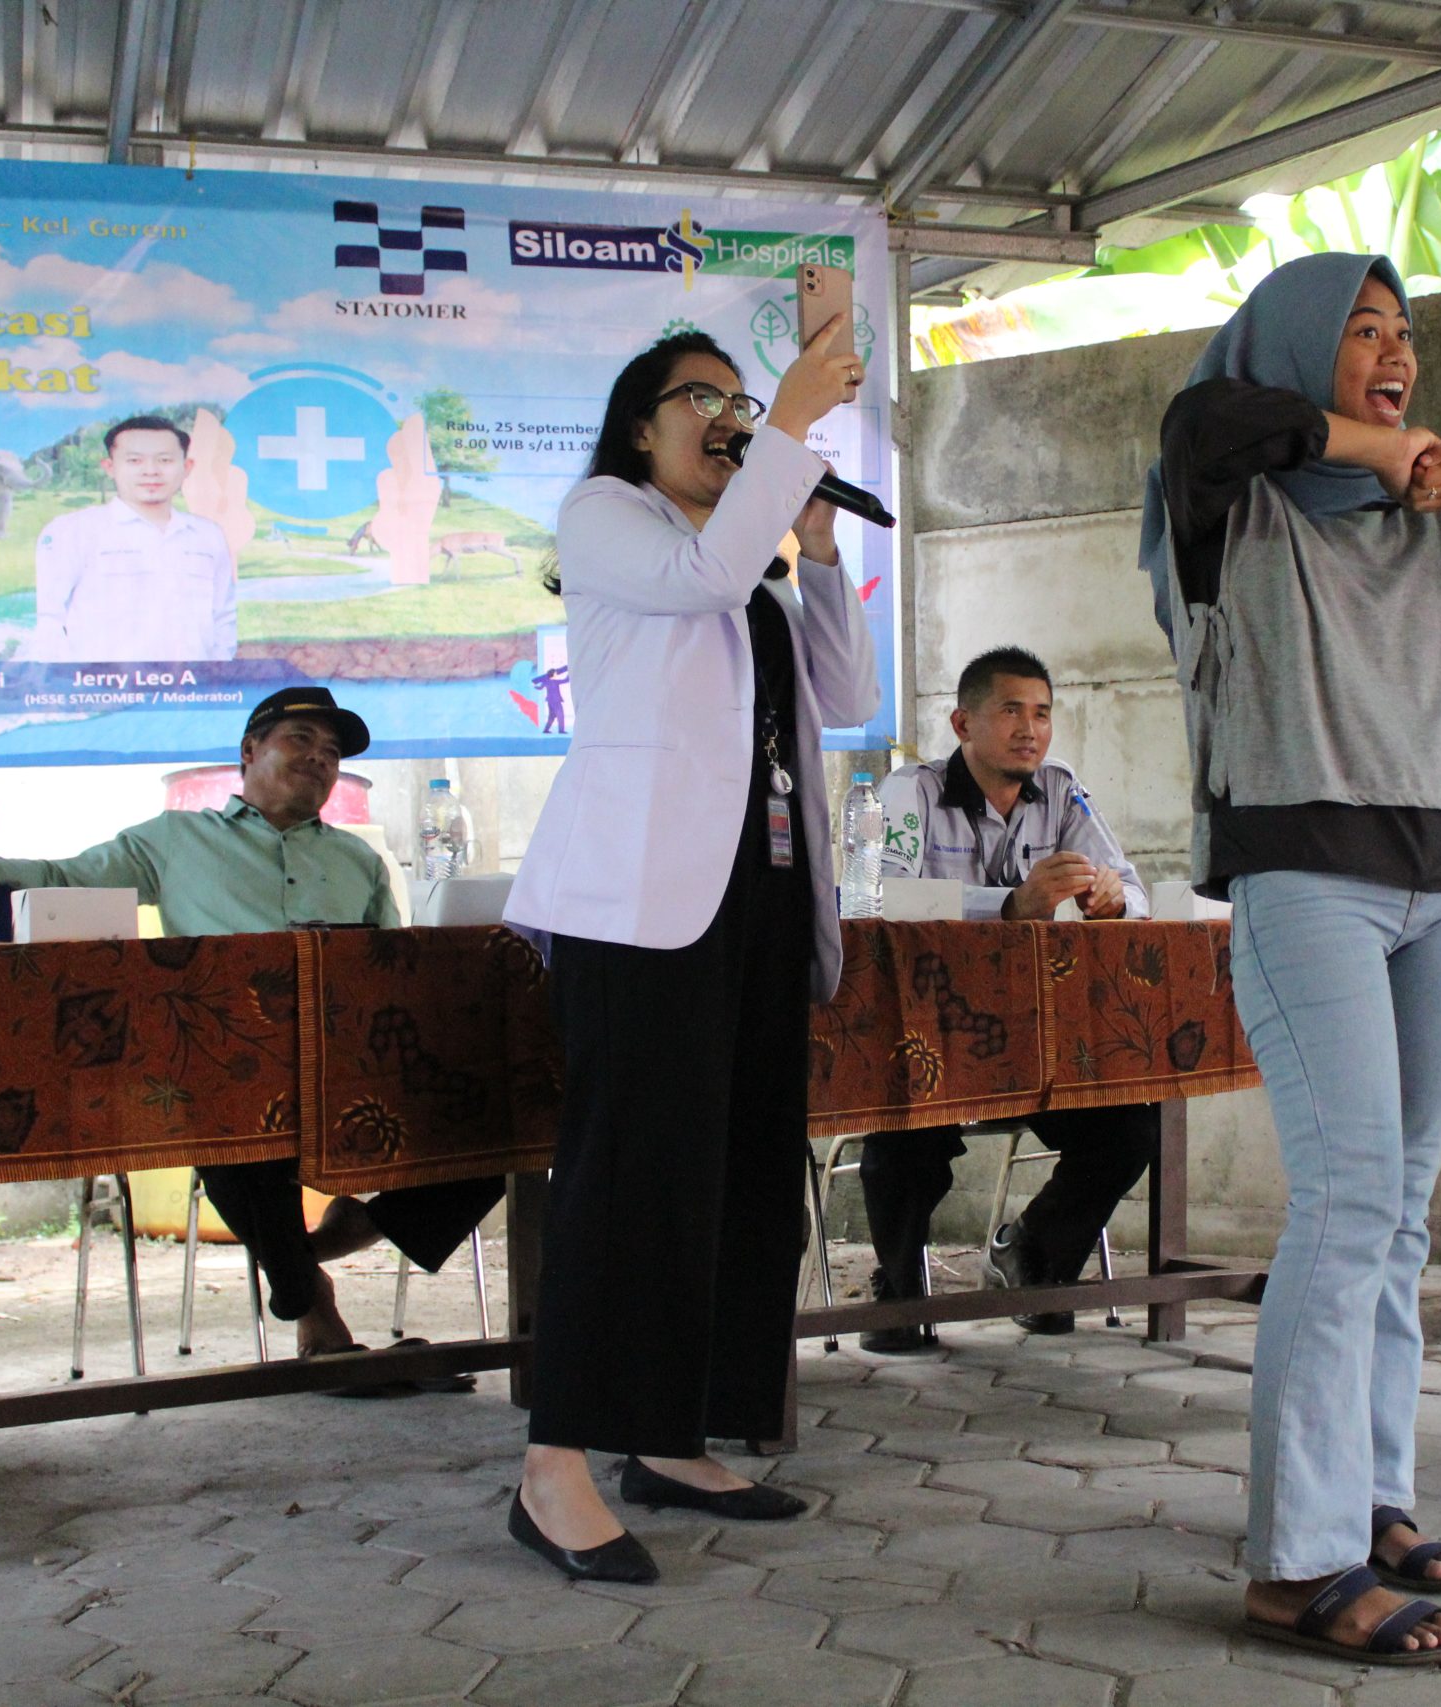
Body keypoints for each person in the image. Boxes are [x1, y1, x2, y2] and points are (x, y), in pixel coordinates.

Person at [1143, 252, 1441, 1663]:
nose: (1393, 350)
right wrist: (1378, 444)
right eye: (1359, 332)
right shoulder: (1232, 500)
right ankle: (1298, 1563)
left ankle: (1369, 1490)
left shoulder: (1437, 513)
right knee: (1349, 1200)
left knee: (1400, 1210)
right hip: (1310, 875)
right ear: (1300, 351)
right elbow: (1203, 423)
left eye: (1404, 332)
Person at [500, 318, 876, 1583]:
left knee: (742, 1170)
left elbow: (848, 687)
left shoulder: (749, 567)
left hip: (759, 898)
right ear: (639, 426)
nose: (727, 414)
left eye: (739, 396)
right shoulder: (603, 517)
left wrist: (817, 548)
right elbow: (702, 582)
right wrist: (788, 429)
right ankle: (553, 1469)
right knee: (629, 1175)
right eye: (699, 397)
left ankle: (672, 1435)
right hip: (638, 903)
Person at [0, 686, 504, 1383]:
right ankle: (316, 1309)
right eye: (301, 740)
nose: (319, 758)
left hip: (352, 1069)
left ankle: (361, 1228)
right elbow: (66, 877)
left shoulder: (361, 861)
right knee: (225, 1111)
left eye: (332, 752)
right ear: (249, 753)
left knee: (502, 1110)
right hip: (233, 1072)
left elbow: (390, 973)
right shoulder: (172, 840)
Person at [857, 644, 1155, 1352]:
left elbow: (1136, 889)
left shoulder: (1062, 788)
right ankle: (899, 1296)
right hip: (931, 1034)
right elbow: (882, 898)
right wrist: (1009, 905)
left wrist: (1113, 900)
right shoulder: (912, 791)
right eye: (1011, 711)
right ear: (963, 722)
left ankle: (1031, 1259)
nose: (1031, 730)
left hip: (1039, 1040)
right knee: (903, 1133)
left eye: (1043, 713)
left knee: (1131, 1126)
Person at [31, 415, 239, 662]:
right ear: (110, 467)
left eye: (164, 460)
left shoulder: (208, 535)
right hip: (105, 694)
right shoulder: (73, 530)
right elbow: (50, 620)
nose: (150, 471)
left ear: (186, 468)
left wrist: (214, 679)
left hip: (192, 691)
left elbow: (223, 618)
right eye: (134, 460)